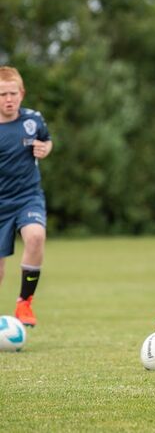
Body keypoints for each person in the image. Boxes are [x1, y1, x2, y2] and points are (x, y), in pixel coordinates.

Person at [0, 66, 53, 327]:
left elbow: (47, 140)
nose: (8, 99)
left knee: (35, 237)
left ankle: (24, 303)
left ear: (21, 93)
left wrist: (45, 148)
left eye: (13, 93)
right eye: (2, 94)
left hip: (27, 196)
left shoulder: (33, 119)